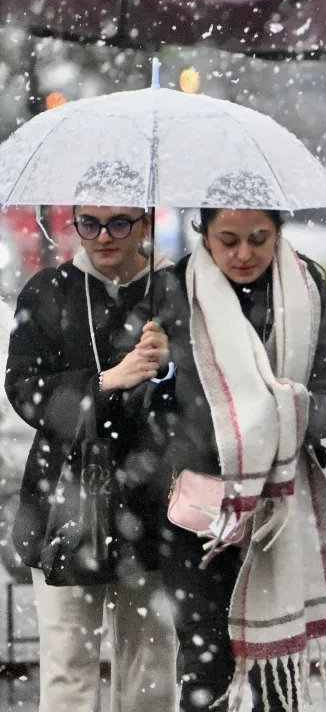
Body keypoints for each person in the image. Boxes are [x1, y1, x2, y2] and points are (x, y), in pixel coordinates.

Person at [153, 176, 326, 711]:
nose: (244, 254)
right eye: (228, 240)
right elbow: (141, 408)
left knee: (276, 672)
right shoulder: (169, 291)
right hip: (198, 511)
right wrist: (155, 377)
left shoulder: (307, 289)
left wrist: (287, 414)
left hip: (280, 507)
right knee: (205, 668)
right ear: (203, 233)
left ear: (279, 231)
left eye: (258, 238)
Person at [5, 161, 179, 712]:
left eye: (119, 222)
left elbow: (208, 398)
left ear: (145, 222)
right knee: (67, 667)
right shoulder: (48, 291)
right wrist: (105, 382)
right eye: (89, 223)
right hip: (63, 497)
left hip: (154, 497)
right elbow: (24, 389)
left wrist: (171, 370)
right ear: (74, 222)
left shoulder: (175, 291)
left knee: (151, 670)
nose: (104, 236)